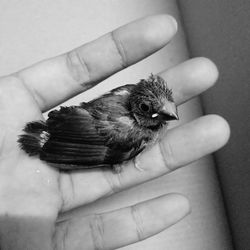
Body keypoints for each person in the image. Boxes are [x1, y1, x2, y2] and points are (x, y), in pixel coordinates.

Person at [0, 15, 229, 249]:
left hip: (76, 122)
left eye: (167, 106)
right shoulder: (133, 132)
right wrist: (54, 147)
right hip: (75, 133)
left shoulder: (130, 91)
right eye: (148, 109)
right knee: (119, 154)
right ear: (138, 107)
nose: (168, 114)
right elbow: (97, 149)